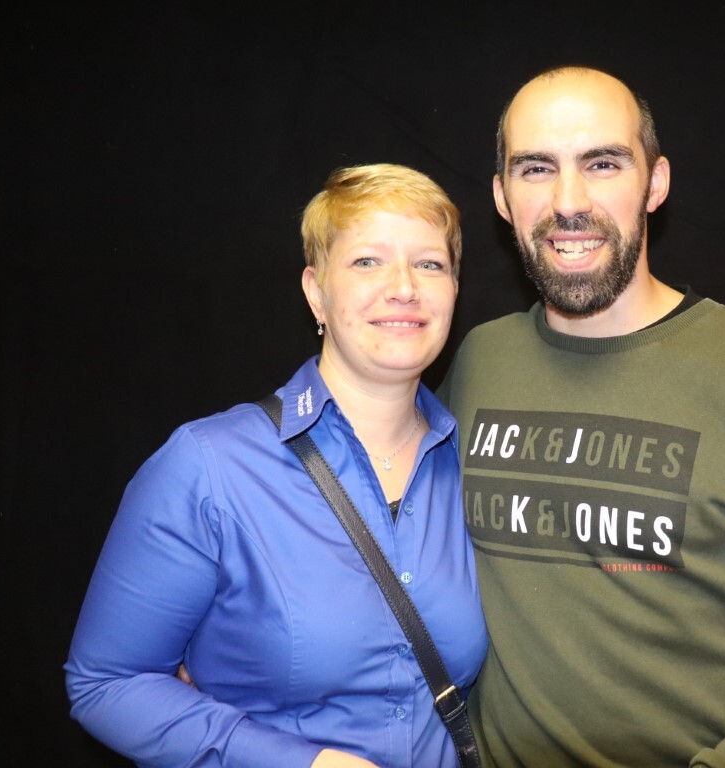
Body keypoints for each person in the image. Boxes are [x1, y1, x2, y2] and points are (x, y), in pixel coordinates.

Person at [438, 66, 725, 768]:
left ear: (655, 183)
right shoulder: (478, 361)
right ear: (503, 198)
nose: (569, 201)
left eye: (603, 163)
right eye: (536, 168)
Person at [65, 163, 487, 768]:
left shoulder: (469, 464)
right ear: (316, 292)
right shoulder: (209, 466)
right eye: (368, 261)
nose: (404, 287)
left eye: (430, 264)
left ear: (454, 290)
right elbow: (106, 684)